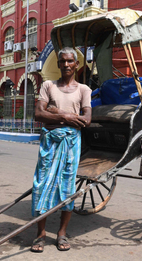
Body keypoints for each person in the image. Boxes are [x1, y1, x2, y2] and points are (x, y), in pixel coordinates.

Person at [30, 47, 92, 253]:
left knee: (66, 187)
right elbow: (38, 114)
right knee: (41, 185)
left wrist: (55, 112)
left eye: (69, 61)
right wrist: (66, 117)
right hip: (49, 141)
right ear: (58, 64)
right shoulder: (48, 85)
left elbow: (86, 120)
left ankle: (62, 233)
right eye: (62, 61)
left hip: (71, 143)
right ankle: (40, 234)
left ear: (76, 64)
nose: (66, 65)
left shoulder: (84, 90)